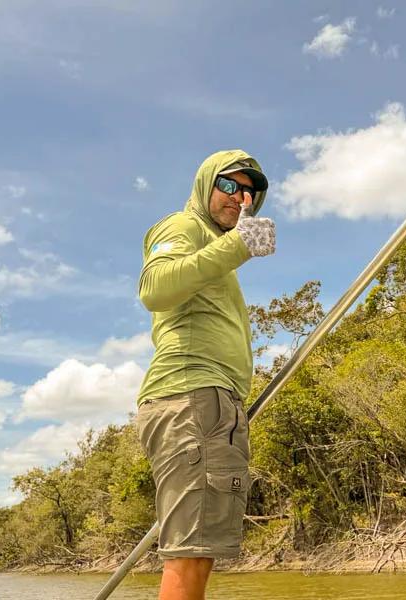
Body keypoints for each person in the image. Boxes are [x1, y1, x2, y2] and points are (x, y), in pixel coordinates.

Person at [135, 149, 275, 600]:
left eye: (249, 190)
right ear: (205, 185)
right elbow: (156, 289)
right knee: (191, 551)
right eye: (229, 185)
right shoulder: (183, 227)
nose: (240, 197)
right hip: (194, 397)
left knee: (199, 549)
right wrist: (239, 245)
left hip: (213, 404)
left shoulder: (215, 245)